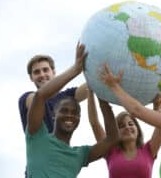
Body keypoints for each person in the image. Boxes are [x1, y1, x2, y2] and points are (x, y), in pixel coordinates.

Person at [25, 43, 120, 177]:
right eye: (64, 111)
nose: (70, 115)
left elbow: (112, 138)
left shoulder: (80, 155)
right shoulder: (37, 137)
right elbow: (40, 96)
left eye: (75, 113)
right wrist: (75, 69)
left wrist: (102, 93)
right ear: (53, 115)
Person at [87, 88, 161, 178]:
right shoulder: (110, 151)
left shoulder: (149, 149)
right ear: (116, 133)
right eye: (121, 126)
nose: (127, 127)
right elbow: (94, 123)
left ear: (138, 129)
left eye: (130, 124)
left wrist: (159, 107)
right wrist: (91, 91)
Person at [19, 53, 88, 133]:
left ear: (53, 72)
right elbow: (39, 97)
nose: (42, 75)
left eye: (45, 70)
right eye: (37, 72)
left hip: (62, 145)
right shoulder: (26, 98)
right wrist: (75, 70)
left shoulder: (65, 97)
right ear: (31, 77)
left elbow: (92, 85)